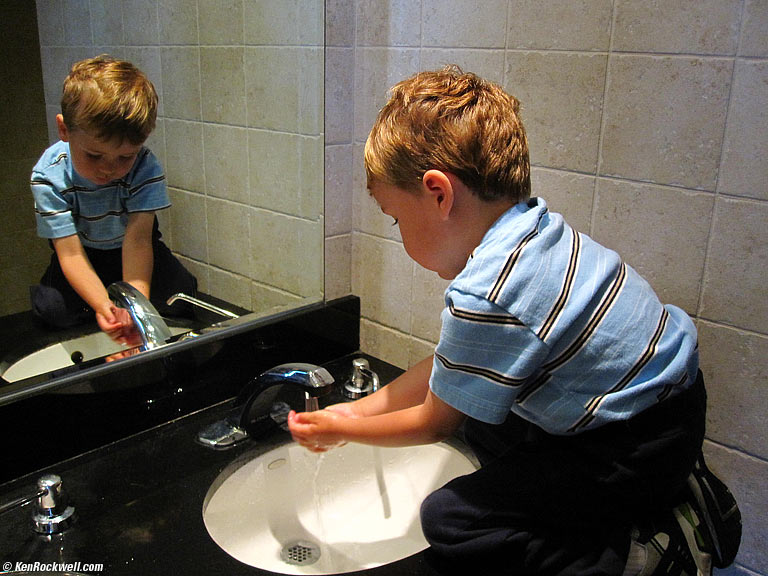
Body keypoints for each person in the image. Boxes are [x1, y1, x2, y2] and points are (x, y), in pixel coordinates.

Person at [287, 67, 741, 576]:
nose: (398, 232)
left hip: (628, 448)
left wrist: (344, 433)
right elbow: (448, 370)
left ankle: (644, 555)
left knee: (452, 521)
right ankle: (663, 492)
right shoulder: (532, 227)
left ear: (438, 194)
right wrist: (353, 413)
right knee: (490, 428)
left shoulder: (487, 291)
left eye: (396, 218)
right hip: (672, 408)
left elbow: (434, 421)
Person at [30, 55, 196, 340]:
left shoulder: (145, 167)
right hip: (82, 253)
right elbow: (69, 252)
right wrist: (103, 306)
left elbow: (139, 241)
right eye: (94, 155)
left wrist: (136, 308)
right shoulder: (49, 175)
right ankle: (98, 305)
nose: (108, 168)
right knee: (52, 310)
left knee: (182, 296)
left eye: (125, 156)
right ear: (64, 130)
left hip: (133, 246)